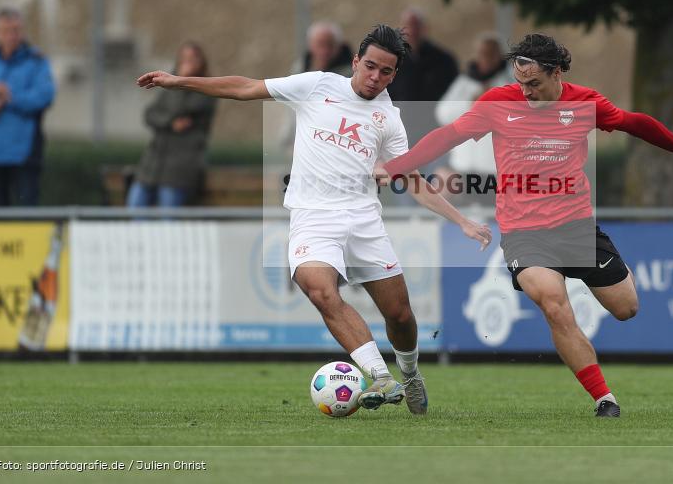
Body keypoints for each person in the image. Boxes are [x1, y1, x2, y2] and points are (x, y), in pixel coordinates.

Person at [137, 25, 492, 414]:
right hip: (313, 216)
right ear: (355, 62)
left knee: (400, 314)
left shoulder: (388, 119)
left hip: (363, 220)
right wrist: (179, 81)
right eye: (370, 66)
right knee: (320, 289)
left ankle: (409, 374)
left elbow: (410, 180)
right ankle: (380, 375)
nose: (375, 77)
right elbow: (245, 87)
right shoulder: (316, 85)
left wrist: (462, 222)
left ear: (394, 75)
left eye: (385, 72)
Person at [377, 33, 673, 418]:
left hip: (577, 228)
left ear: (557, 72)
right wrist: (395, 167)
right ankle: (604, 399)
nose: (526, 92)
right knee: (555, 306)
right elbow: (447, 136)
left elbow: (633, 123)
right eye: (520, 83)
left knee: (627, 309)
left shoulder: (585, 102)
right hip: (525, 234)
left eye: (534, 84)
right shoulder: (497, 103)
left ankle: (608, 282)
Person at [0, 8, 56, 206]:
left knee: (26, 215)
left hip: (24, 153)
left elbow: (44, 96)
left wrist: (9, 97)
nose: (11, 36)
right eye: (5, 31)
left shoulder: (36, 62)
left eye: (15, 30)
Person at [128, 41, 217, 208]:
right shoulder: (168, 86)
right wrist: (170, 122)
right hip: (153, 163)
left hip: (179, 169)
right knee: (135, 206)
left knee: (168, 220)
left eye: (191, 59)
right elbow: (150, 114)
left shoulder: (207, 88)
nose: (186, 64)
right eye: (184, 59)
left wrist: (180, 83)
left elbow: (181, 109)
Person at [434, 32, 513, 205]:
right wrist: (471, 104)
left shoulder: (511, 82)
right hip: (463, 169)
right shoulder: (465, 82)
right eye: (482, 53)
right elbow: (442, 113)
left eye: (491, 54)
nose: (486, 58)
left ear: (498, 56)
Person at [386, 8, 459, 143]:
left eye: (416, 26)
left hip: (434, 132)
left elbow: (455, 95)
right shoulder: (390, 59)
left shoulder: (444, 60)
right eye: (407, 26)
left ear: (425, 28)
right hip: (399, 133)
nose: (412, 31)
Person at [290, 21, 354, 77]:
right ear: (310, 45)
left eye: (330, 45)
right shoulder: (300, 69)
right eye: (320, 45)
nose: (325, 51)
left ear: (339, 46)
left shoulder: (352, 75)